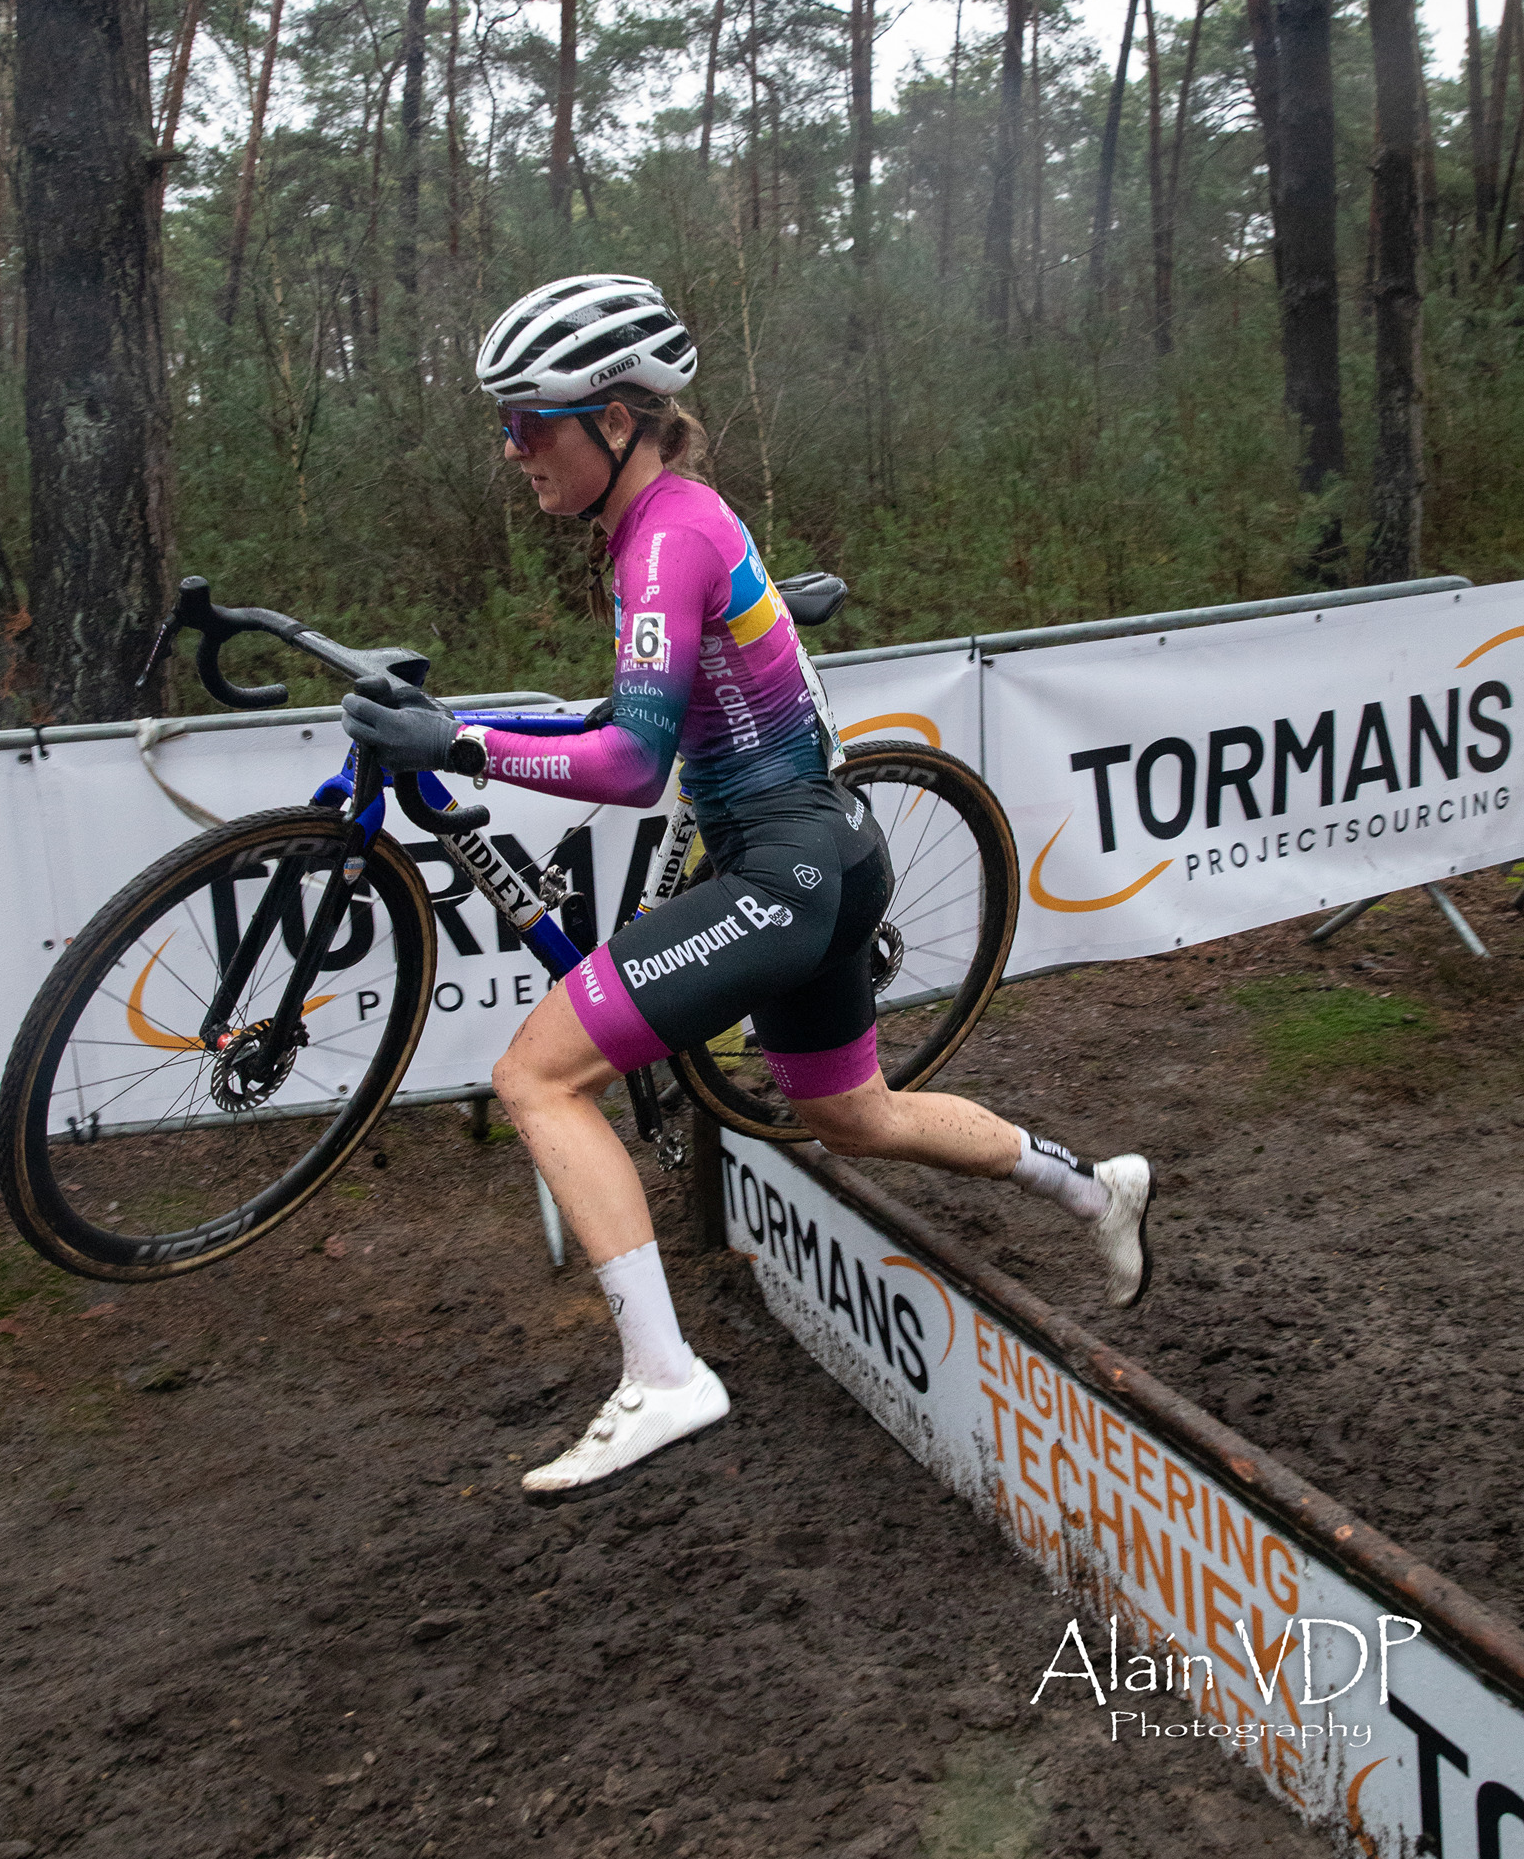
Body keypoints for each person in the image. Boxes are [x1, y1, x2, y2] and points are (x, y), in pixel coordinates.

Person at [343, 273, 1154, 1500]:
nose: (512, 450)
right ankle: (1093, 1189)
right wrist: (462, 725)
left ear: (616, 419)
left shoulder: (664, 539)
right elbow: (642, 710)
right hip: (828, 855)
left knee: (537, 1076)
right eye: (505, 424)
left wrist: (454, 746)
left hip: (785, 871)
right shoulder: (671, 518)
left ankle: (663, 1375)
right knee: (855, 1117)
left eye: (528, 423)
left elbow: (629, 764)